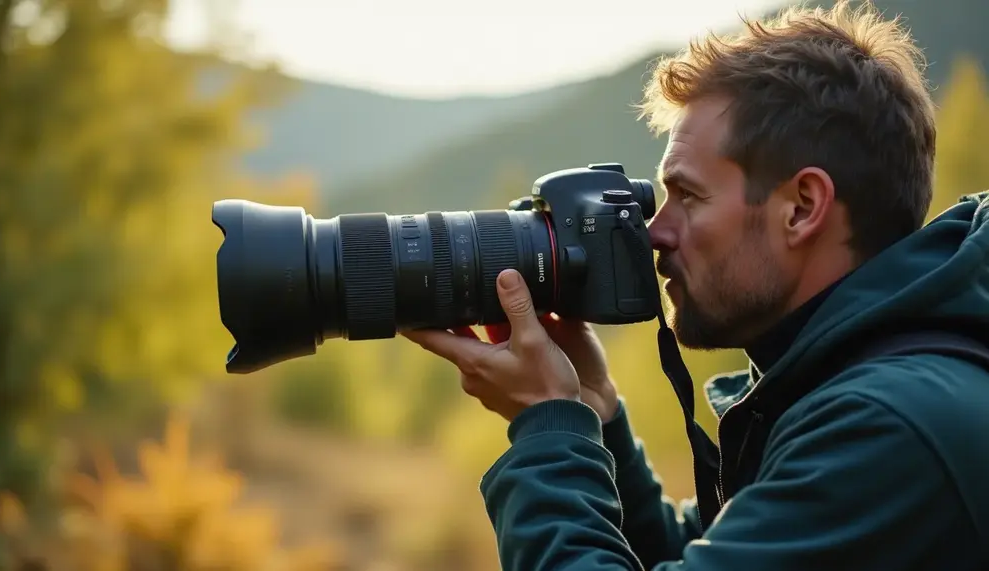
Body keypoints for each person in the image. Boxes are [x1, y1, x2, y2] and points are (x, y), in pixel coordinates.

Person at [403, 1, 989, 569]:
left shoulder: (886, 429)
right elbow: (708, 551)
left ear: (802, 208)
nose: (655, 232)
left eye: (687, 195)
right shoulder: (848, 380)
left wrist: (548, 427)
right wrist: (596, 410)